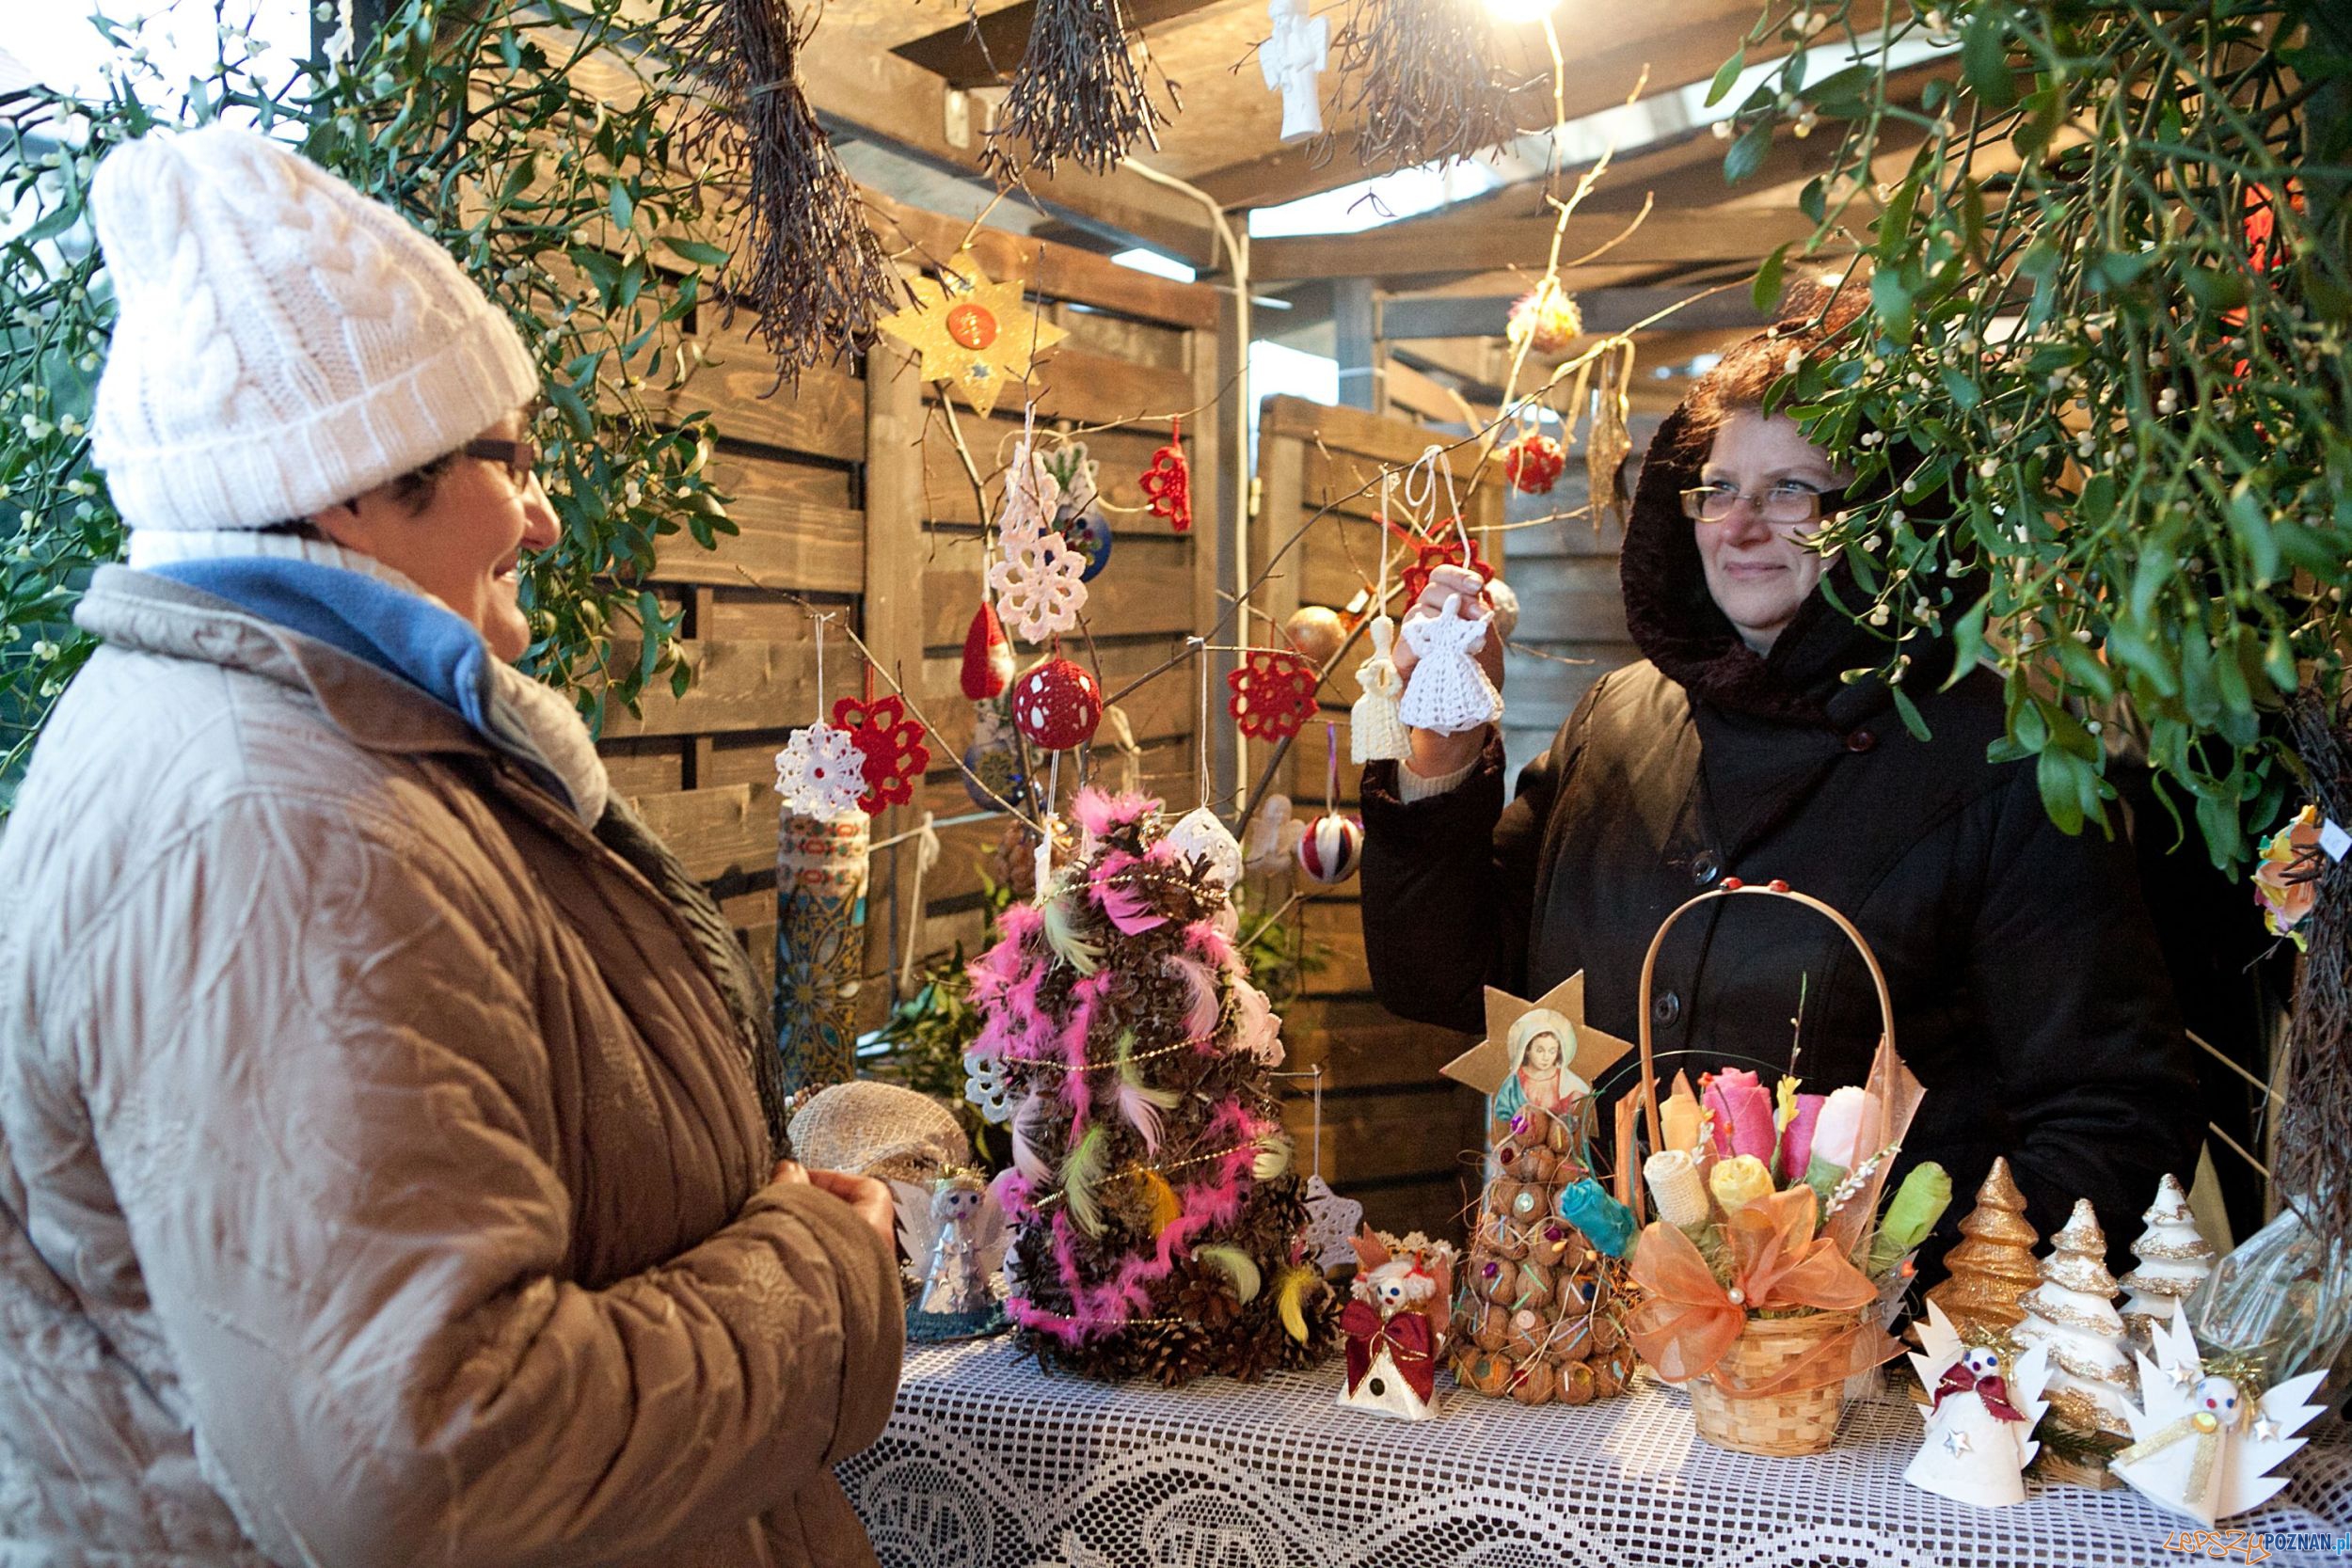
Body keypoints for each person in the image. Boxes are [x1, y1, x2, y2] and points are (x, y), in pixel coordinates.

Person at [0, 125, 902, 1565]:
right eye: (510, 456)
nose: (542, 513)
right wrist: (824, 1274)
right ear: (348, 479)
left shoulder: (327, 742)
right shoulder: (280, 827)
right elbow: (432, 1456)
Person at [1359, 294, 2202, 1277]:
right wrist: (1440, 757)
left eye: (1793, 489)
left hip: (1856, 1383)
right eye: (1718, 489)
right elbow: (1445, 979)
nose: (1742, 526)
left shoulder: (2002, 759)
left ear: (1888, 513)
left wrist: (1912, 1311)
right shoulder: (1616, 722)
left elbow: (2111, 1114)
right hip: (1599, 1341)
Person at [1493, 1008, 1585, 1126]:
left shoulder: (1567, 1080)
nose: (1546, 1057)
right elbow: (1502, 1115)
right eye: (1540, 1050)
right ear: (1527, 1050)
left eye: (1552, 1051)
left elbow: (1581, 1103)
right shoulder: (1514, 1083)